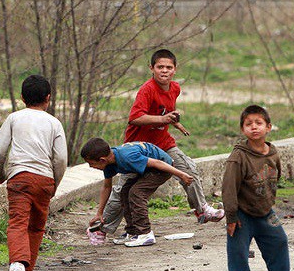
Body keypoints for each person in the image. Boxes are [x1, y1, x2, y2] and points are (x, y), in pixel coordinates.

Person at [91, 49, 224, 245]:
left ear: (175, 70)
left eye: (169, 67)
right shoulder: (147, 89)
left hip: (162, 143)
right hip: (138, 148)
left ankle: (201, 209)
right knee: (123, 191)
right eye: (160, 67)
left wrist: (173, 120)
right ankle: (102, 228)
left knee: (188, 168)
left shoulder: (175, 88)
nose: (164, 71)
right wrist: (162, 118)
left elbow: (165, 109)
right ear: (151, 68)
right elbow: (135, 117)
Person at [0, 75, 68, 271]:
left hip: (20, 177)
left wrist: (1, 175)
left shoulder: (14, 118)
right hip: (45, 179)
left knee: (18, 222)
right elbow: (61, 159)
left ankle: (17, 268)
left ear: (22, 97)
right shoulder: (54, 123)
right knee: (36, 226)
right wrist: (55, 184)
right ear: (48, 98)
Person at [222, 105, 294, 271]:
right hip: (241, 214)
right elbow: (228, 188)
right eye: (248, 124)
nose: (254, 127)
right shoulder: (238, 157)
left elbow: (276, 177)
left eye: (258, 123)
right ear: (242, 129)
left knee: (279, 242)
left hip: (265, 212)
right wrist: (231, 216)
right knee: (238, 252)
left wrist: (269, 203)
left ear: (268, 127)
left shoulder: (273, 153)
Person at [81, 138, 193, 247]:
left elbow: (157, 163)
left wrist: (181, 174)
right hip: (147, 170)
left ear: (102, 160)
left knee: (136, 193)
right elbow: (106, 188)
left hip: (162, 168)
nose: (91, 167)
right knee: (124, 193)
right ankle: (133, 232)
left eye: (91, 163)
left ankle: (145, 234)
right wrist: (99, 213)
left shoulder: (127, 157)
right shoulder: (109, 164)